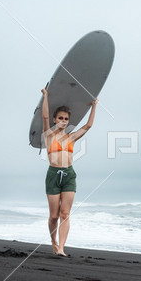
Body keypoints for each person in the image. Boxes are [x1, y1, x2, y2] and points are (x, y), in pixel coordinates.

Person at [41, 86, 98, 257]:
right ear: (55, 119)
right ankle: (53, 242)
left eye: (66, 118)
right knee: (54, 216)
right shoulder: (49, 135)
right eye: (60, 118)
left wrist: (94, 105)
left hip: (69, 175)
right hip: (53, 175)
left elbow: (88, 125)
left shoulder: (71, 137)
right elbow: (44, 116)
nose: (63, 121)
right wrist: (46, 96)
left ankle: (61, 248)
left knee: (65, 213)